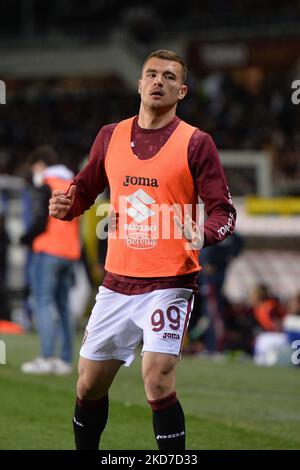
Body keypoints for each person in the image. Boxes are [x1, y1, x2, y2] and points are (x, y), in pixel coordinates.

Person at [49, 50, 236, 450]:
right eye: (151, 74)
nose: (158, 82)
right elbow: (84, 188)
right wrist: (68, 204)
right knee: (88, 384)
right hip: (117, 281)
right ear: (138, 84)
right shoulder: (109, 136)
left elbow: (224, 210)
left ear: (181, 90)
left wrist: (205, 233)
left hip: (171, 280)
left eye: (169, 77)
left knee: (157, 377)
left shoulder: (197, 142)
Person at [20, 145, 81, 375]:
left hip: (47, 251)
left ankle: (46, 357)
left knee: (42, 302)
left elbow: (40, 220)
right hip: (70, 253)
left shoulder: (45, 184)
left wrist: (24, 238)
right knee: (64, 307)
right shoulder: (72, 184)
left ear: (41, 164)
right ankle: (64, 360)